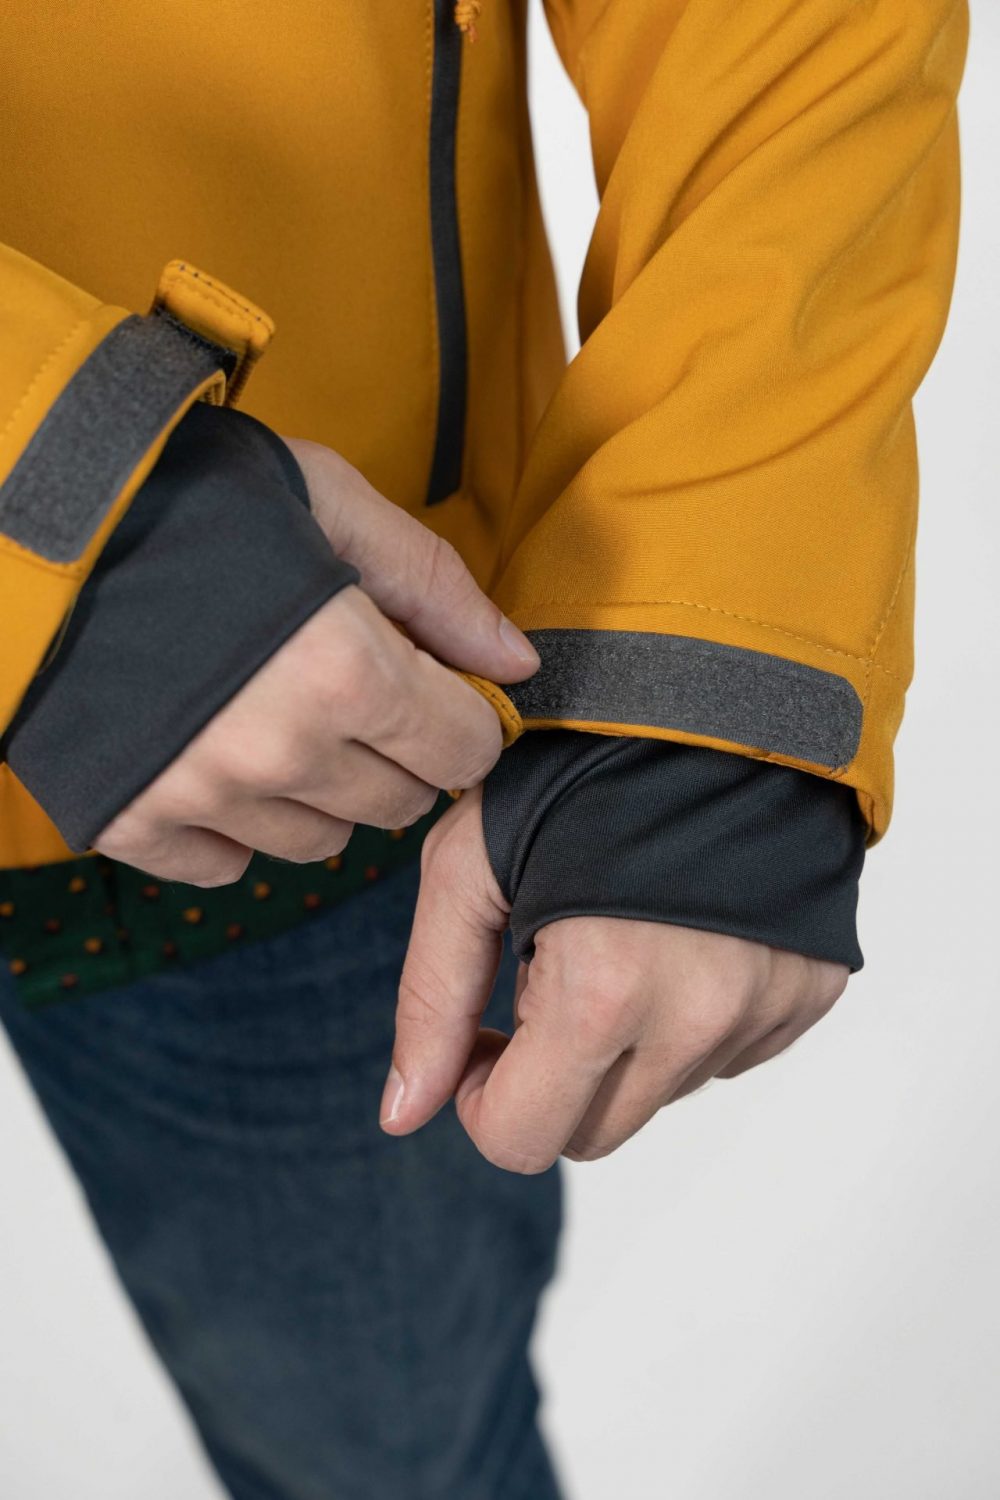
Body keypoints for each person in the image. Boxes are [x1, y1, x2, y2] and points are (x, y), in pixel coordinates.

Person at [0, 1, 967, 1494]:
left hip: (291, 695)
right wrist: (45, 491)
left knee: (392, 1464)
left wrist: (709, 648)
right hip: (220, 628)